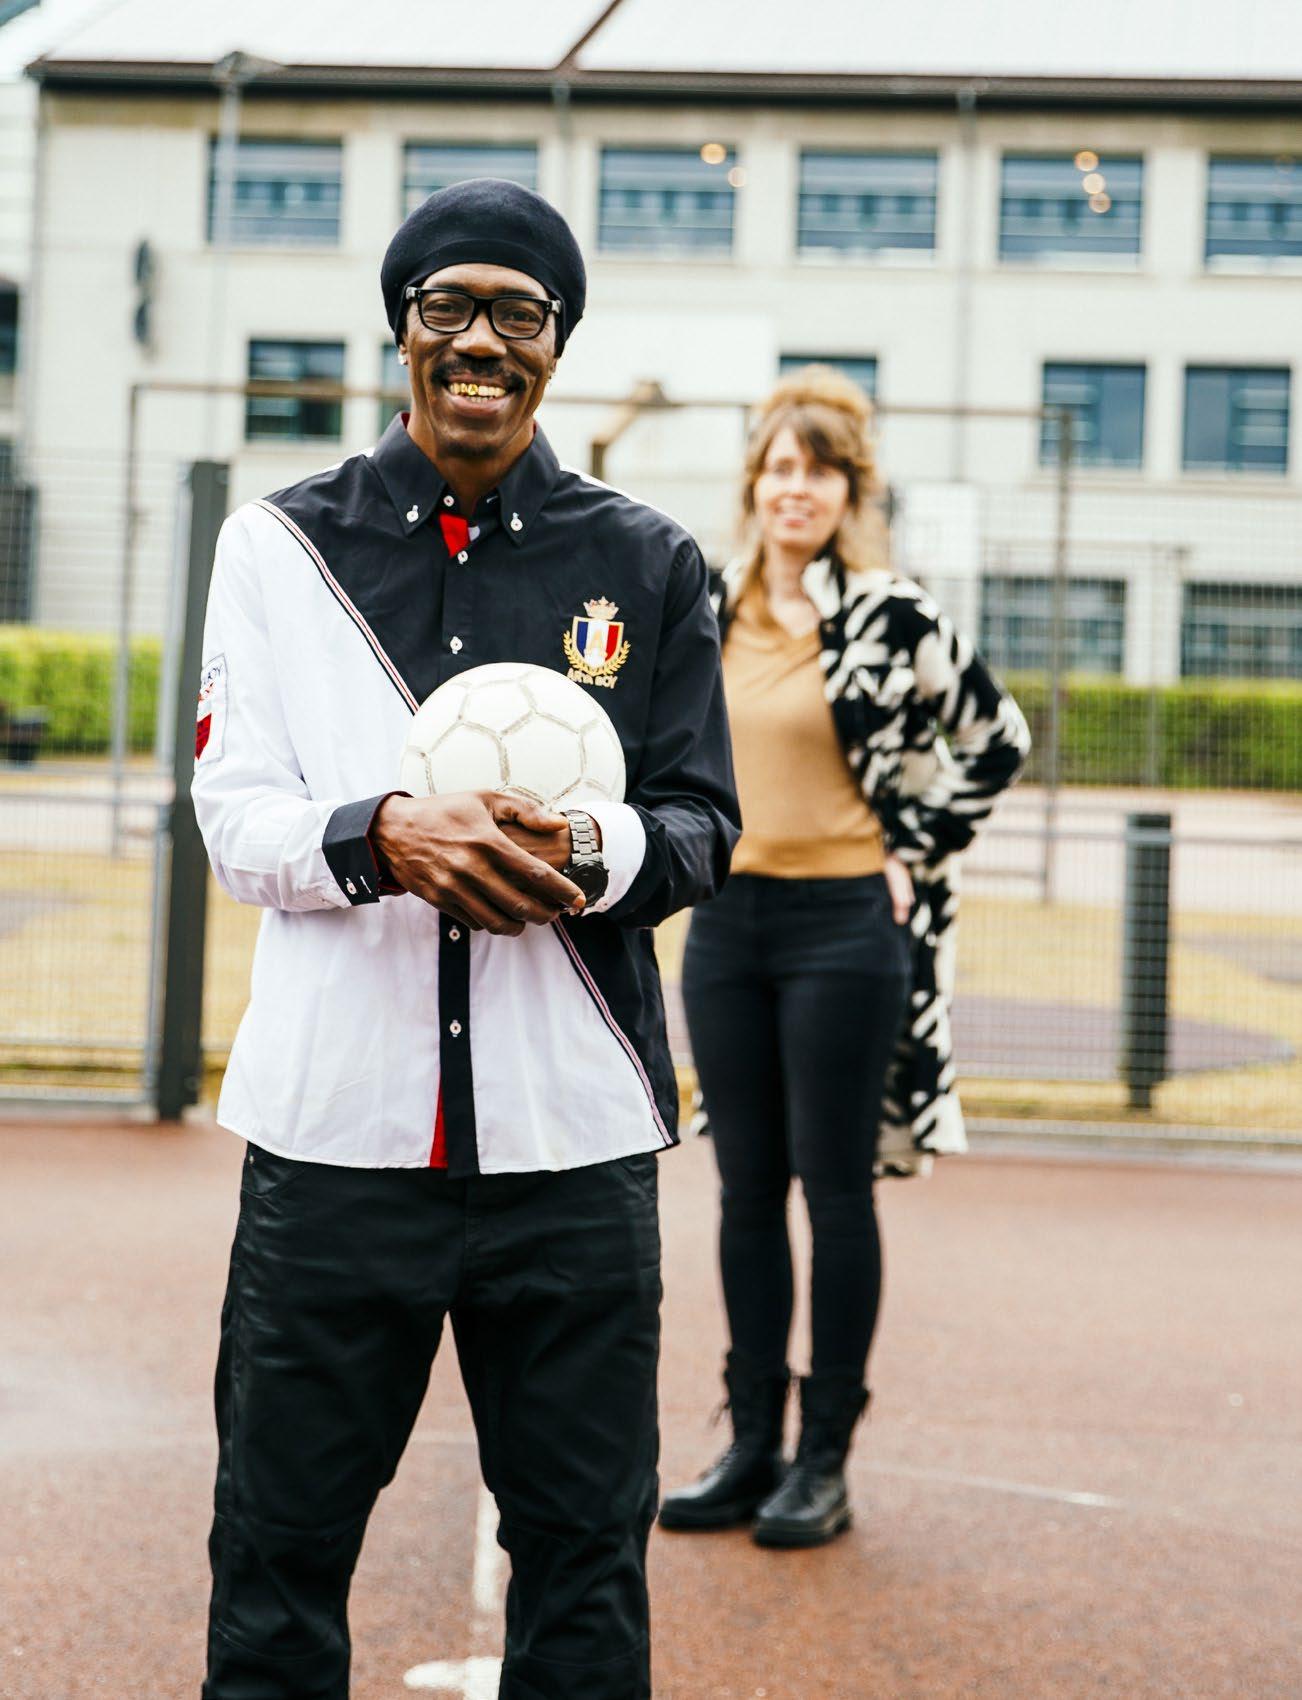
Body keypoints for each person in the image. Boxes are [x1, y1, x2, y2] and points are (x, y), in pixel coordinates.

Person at [191, 178, 739, 1700]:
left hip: (571, 1151)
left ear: (557, 343)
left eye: (519, 313)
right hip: (334, 1145)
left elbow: (701, 824)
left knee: (585, 1564)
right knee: (277, 1558)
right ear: (403, 328)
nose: (481, 340)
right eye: (448, 306)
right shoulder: (276, 546)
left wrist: (581, 852)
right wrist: (387, 836)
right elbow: (234, 818)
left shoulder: (648, 559)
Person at [658, 367, 1030, 1549]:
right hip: (727, 925)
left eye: (819, 472)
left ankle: (823, 1460)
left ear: (849, 492)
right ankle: (751, 1446)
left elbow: (998, 734)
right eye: (780, 467)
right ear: (754, 484)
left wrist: (914, 843)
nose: (797, 489)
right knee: (744, 1190)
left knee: (833, 1188)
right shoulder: (705, 602)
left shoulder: (892, 613)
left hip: (845, 929)